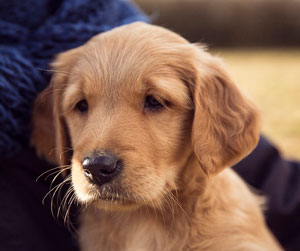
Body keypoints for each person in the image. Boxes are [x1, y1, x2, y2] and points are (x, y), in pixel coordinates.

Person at [0, 1, 299, 250]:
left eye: (154, 101)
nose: (99, 156)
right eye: (81, 105)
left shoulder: (229, 233)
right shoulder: (94, 237)